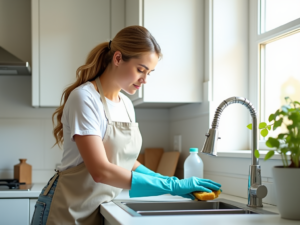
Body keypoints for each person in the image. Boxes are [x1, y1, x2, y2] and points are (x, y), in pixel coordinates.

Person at [30, 25, 222, 225]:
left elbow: (126, 161)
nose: (145, 79)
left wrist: (174, 182)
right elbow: (100, 171)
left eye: (150, 73)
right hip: (65, 210)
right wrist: (169, 185)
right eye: (141, 70)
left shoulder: (127, 105)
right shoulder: (85, 98)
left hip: (97, 209)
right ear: (118, 58)